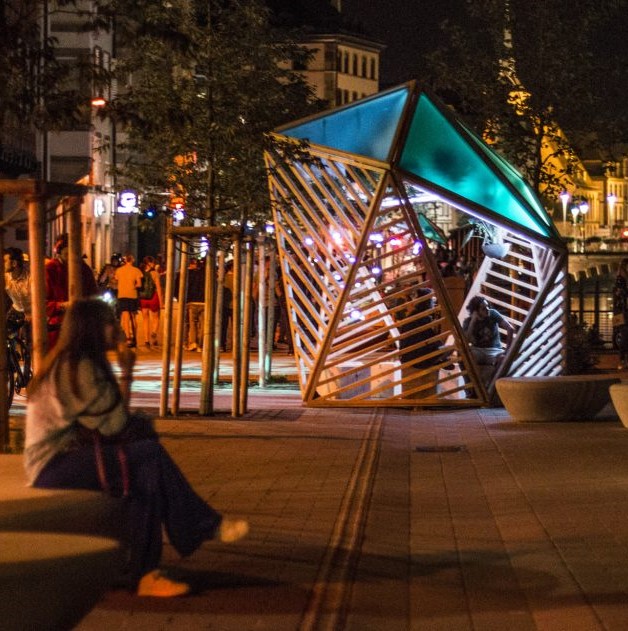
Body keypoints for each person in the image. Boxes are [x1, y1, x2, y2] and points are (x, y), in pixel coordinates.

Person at [24, 298, 249, 597]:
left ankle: (148, 570)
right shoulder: (77, 369)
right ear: (91, 328)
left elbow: (113, 421)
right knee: (149, 456)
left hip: (68, 457)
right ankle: (197, 529)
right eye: (110, 323)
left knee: (147, 478)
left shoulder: (74, 362)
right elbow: (115, 424)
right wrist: (127, 370)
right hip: (53, 466)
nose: (115, 329)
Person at [45, 234, 99, 348]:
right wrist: (62, 305)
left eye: (74, 254)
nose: (71, 259)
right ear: (59, 252)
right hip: (58, 327)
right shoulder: (50, 269)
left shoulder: (84, 269)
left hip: (82, 325)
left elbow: (94, 296)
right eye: (67, 254)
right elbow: (43, 303)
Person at [462, 296, 514, 366]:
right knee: (464, 356)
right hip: (478, 350)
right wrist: (473, 321)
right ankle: (473, 376)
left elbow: (510, 328)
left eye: (487, 306)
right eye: (483, 308)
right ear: (476, 311)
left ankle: (496, 376)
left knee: (503, 358)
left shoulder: (492, 313)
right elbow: (466, 341)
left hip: (495, 350)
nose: (487, 309)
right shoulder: (468, 321)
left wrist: (508, 350)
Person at [114, 253, 143, 348]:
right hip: (132, 295)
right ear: (132, 260)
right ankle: (135, 336)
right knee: (133, 316)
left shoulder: (119, 270)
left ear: (125, 260)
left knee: (125, 316)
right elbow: (139, 284)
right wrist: (133, 286)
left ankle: (128, 337)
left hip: (122, 295)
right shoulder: (136, 271)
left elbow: (116, 279)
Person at [139, 255, 163, 349]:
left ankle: (146, 340)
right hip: (153, 297)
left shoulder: (140, 272)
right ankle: (154, 332)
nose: (154, 264)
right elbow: (158, 288)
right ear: (149, 263)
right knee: (156, 317)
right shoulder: (154, 274)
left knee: (145, 319)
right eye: (152, 262)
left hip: (143, 299)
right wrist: (161, 302)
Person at [612, 258, 628, 369]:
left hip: (620, 313)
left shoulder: (619, 284)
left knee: (622, 335)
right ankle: (622, 360)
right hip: (621, 313)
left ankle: (622, 360)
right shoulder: (620, 285)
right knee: (623, 334)